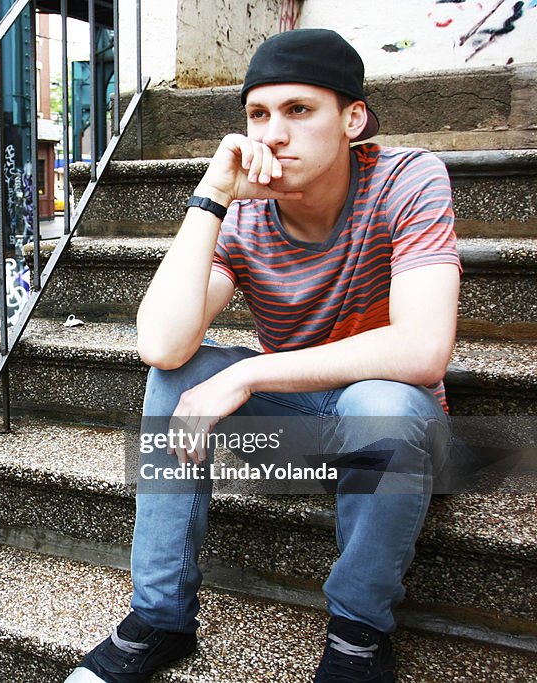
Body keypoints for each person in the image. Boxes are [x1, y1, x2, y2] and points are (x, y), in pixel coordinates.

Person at [66, 28, 460, 683]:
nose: (273, 133)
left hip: (403, 435)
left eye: (298, 110)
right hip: (304, 430)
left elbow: (422, 348)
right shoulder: (247, 214)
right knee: (179, 372)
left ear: (352, 119)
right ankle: (159, 617)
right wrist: (210, 198)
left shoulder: (406, 179)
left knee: (381, 402)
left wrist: (248, 371)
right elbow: (161, 342)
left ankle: (359, 635)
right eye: (258, 114)